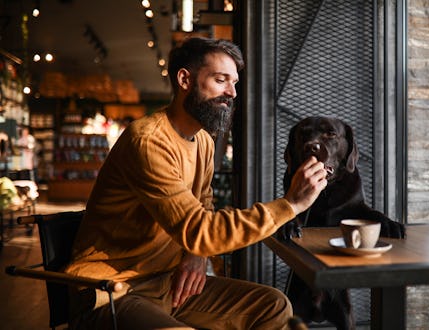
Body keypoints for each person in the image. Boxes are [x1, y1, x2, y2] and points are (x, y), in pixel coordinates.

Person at [64, 37, 328, 330]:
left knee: (273, 307)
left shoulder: (203, 140)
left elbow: (203, 204)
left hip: (170, 282)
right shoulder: (149, 141)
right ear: (184, 79)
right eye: (220, 80)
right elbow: (200, 229)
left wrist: (196, 253)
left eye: (234, 83)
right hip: (112, 290)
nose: (231, 92)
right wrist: (290, 204)